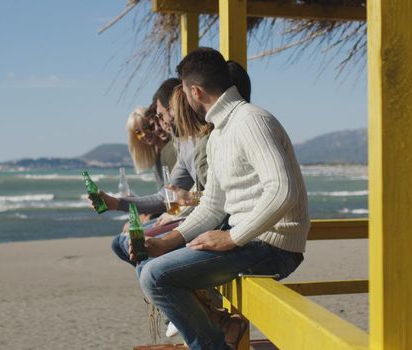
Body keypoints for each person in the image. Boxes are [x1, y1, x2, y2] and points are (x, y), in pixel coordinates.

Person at [129, 47, 309, 350]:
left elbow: (282, 190)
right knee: (151, 263)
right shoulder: (219, 133)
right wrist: (165, 241)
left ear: (195, 91)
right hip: (251, 243)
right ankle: (221, 332)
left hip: (275, 247)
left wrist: (232, 238)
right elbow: (212, 205)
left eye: (184, 93)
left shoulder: (251, 120)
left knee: (156, 276)